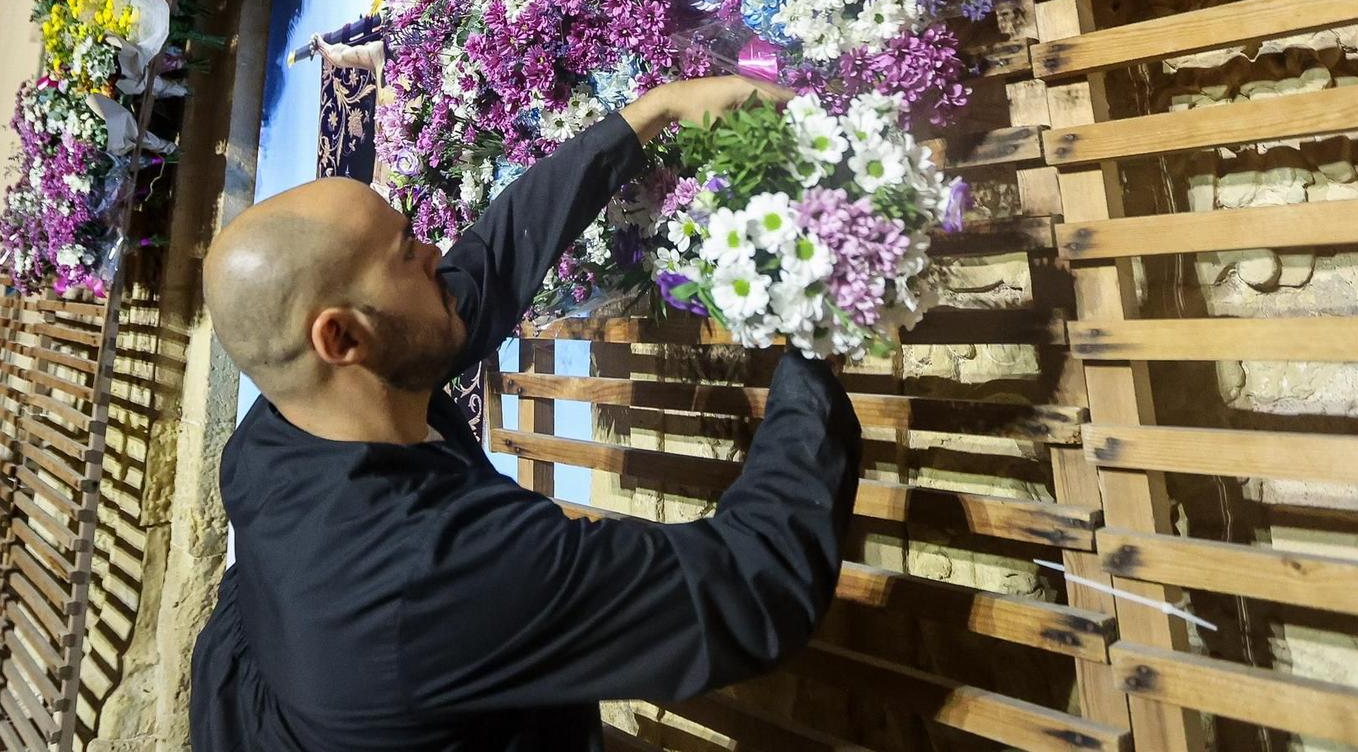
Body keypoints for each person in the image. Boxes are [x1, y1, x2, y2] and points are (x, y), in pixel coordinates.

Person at [190, 75, 863, 752]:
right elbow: (755, 586)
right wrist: (816, 336)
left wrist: (655, 112)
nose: (435, 253)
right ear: (341, 338)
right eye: (407, 255)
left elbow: (486, 270)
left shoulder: (286, 427)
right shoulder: (438, 577)